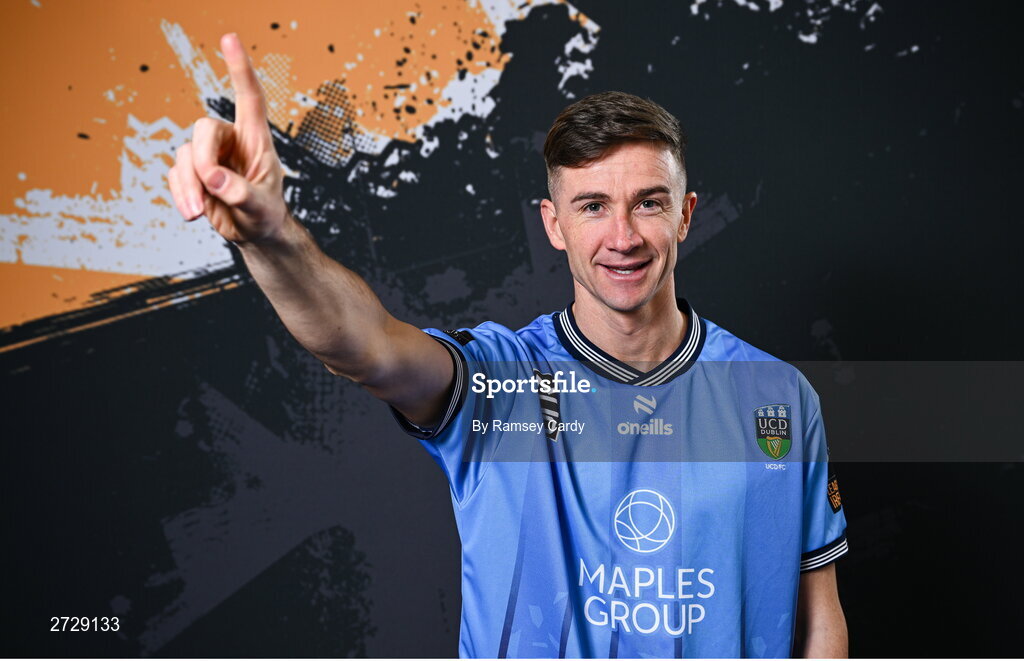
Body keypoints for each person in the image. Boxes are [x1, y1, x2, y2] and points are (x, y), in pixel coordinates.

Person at [168, 33, 849, 658]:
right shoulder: (500, 382)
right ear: (553, 224)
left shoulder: (777, 397)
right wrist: (272, 235)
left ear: (685, 213)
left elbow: (820, 619)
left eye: (647, 202)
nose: (623, 236)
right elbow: (366, 347)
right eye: (591, 206)